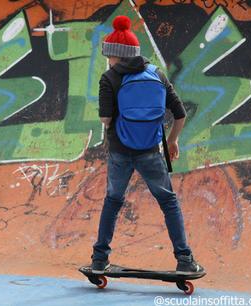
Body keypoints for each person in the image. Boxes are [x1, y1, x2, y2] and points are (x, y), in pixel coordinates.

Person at [91, 15, 204, 275]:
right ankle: (185, 260)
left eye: (109, 55)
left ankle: (99, 259)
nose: (108, 60)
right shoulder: (157, 74)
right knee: (168, 201)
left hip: (120, 152)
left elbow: (106, 118)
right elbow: (180, 113)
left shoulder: (109, 79)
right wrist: (172, 141)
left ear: (115, 55)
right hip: (151, 152)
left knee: (113, 201)